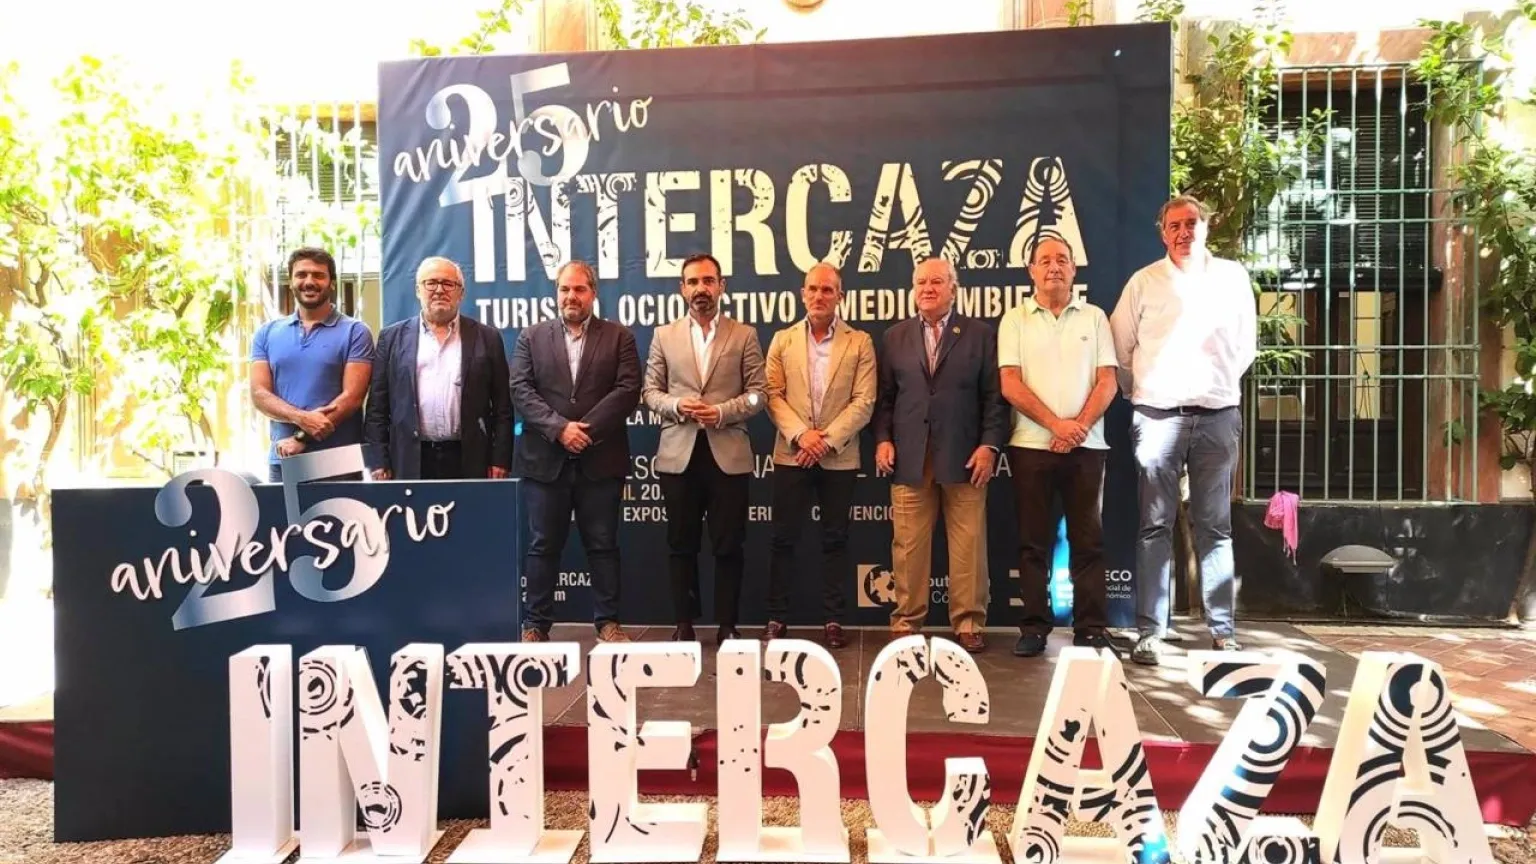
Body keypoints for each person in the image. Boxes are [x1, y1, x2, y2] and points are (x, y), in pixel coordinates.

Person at [1109, 194, 1257, 665]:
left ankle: (1222, 632)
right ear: (1162, 233)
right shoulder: (1143, 282)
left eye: (1191, 223)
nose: (1183, 232)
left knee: (1216, 526)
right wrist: (1142, 393)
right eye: (1174, 225)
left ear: (1206, 227)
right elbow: (1120, 348)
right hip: (1158, 417)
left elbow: (1245, 346)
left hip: (1217, 416)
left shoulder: (1232, 278)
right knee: (1154, 525)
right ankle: (1151, 632)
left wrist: (1214, 386)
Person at [872, 257, 1009, 653]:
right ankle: (906, 621)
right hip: (909, 457)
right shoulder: (895, 337)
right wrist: (883, 439)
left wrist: (989, 446)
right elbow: (885, 398)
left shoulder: (980, 334)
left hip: (966, 458)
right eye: (921, 283)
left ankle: (968, 622)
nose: (928, 289)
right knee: (908, 546)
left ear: (953, 288)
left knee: (969, 545)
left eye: (936, 282)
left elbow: (994, 399)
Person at [997, 236, 1119, 657]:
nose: (1053, 266)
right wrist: (1056, 425)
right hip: (1031, 445)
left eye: (1062, 259)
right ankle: (1034, 627)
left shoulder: (1095, 318)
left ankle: (1091, 628)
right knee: (1033, 542)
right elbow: (1010, 383)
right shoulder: (1014, 320)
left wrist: (1078, 428)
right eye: (1044, 260)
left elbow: (1108, 381)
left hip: (1088, 446)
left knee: (1088, 542)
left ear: (1073, 269)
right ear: (1031, 270)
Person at [510, 260, 641, 644]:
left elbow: (627, 390)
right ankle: (535, 625)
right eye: (565, 289)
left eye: (580, 289)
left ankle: (608, 623)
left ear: (593, 293)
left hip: (600, 459)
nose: (571, 296)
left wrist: (585, 430)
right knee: (542, 545)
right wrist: (559, 429)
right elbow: (521, 390)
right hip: (544, 461)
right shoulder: (531, 337)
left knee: (603, 545)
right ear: (557, 293)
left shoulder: (619, 337)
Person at [642, 252, 767, 645]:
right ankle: (684, 624)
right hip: (679, 456)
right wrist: (678, 405)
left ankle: (728, 625)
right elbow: (650, 393)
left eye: (708, 281)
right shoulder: (664, 335)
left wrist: (723, 412)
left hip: (728, 455)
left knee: (729, 545)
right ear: (682, 289)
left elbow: (758, 395)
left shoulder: (744, 335)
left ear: (721, 286)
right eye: (693, 282)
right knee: (681, 545)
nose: (701, 289)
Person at [761, 263, 877, 649]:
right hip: (791, 454)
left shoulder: (860, 342)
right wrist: (801, 436)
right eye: (813, 289)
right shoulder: (782, 340)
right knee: (782, 539)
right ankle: (777, 617)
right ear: (802, 294)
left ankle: (833, 620)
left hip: (838, 457)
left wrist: (824, 441)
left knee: (835, 539)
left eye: (828, 290)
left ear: (840, 296)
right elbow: (772, 395)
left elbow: (864, 401)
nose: (819, 296)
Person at [363, 257, 513, 482]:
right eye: (431, 283)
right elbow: (377, 408)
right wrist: (378, 460)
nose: (439, 290)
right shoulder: (391, 338)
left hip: (469, 458)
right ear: (418, 290)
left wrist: (500, 459)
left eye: (448, 284)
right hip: (409, 459)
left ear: (461, 293)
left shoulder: (488, 338)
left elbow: (503, 408)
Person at [249, 247, 373, 482]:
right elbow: (259, 394)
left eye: (318, 275)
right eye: (301, 275)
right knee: (283, 510)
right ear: (291, 281)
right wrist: (301, 418)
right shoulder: (266, 333)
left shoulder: (356, 332)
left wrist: (301, 438)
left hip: (339, 463)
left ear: (332, 283)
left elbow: (352, 398)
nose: (309, 282)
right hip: (285, 460)